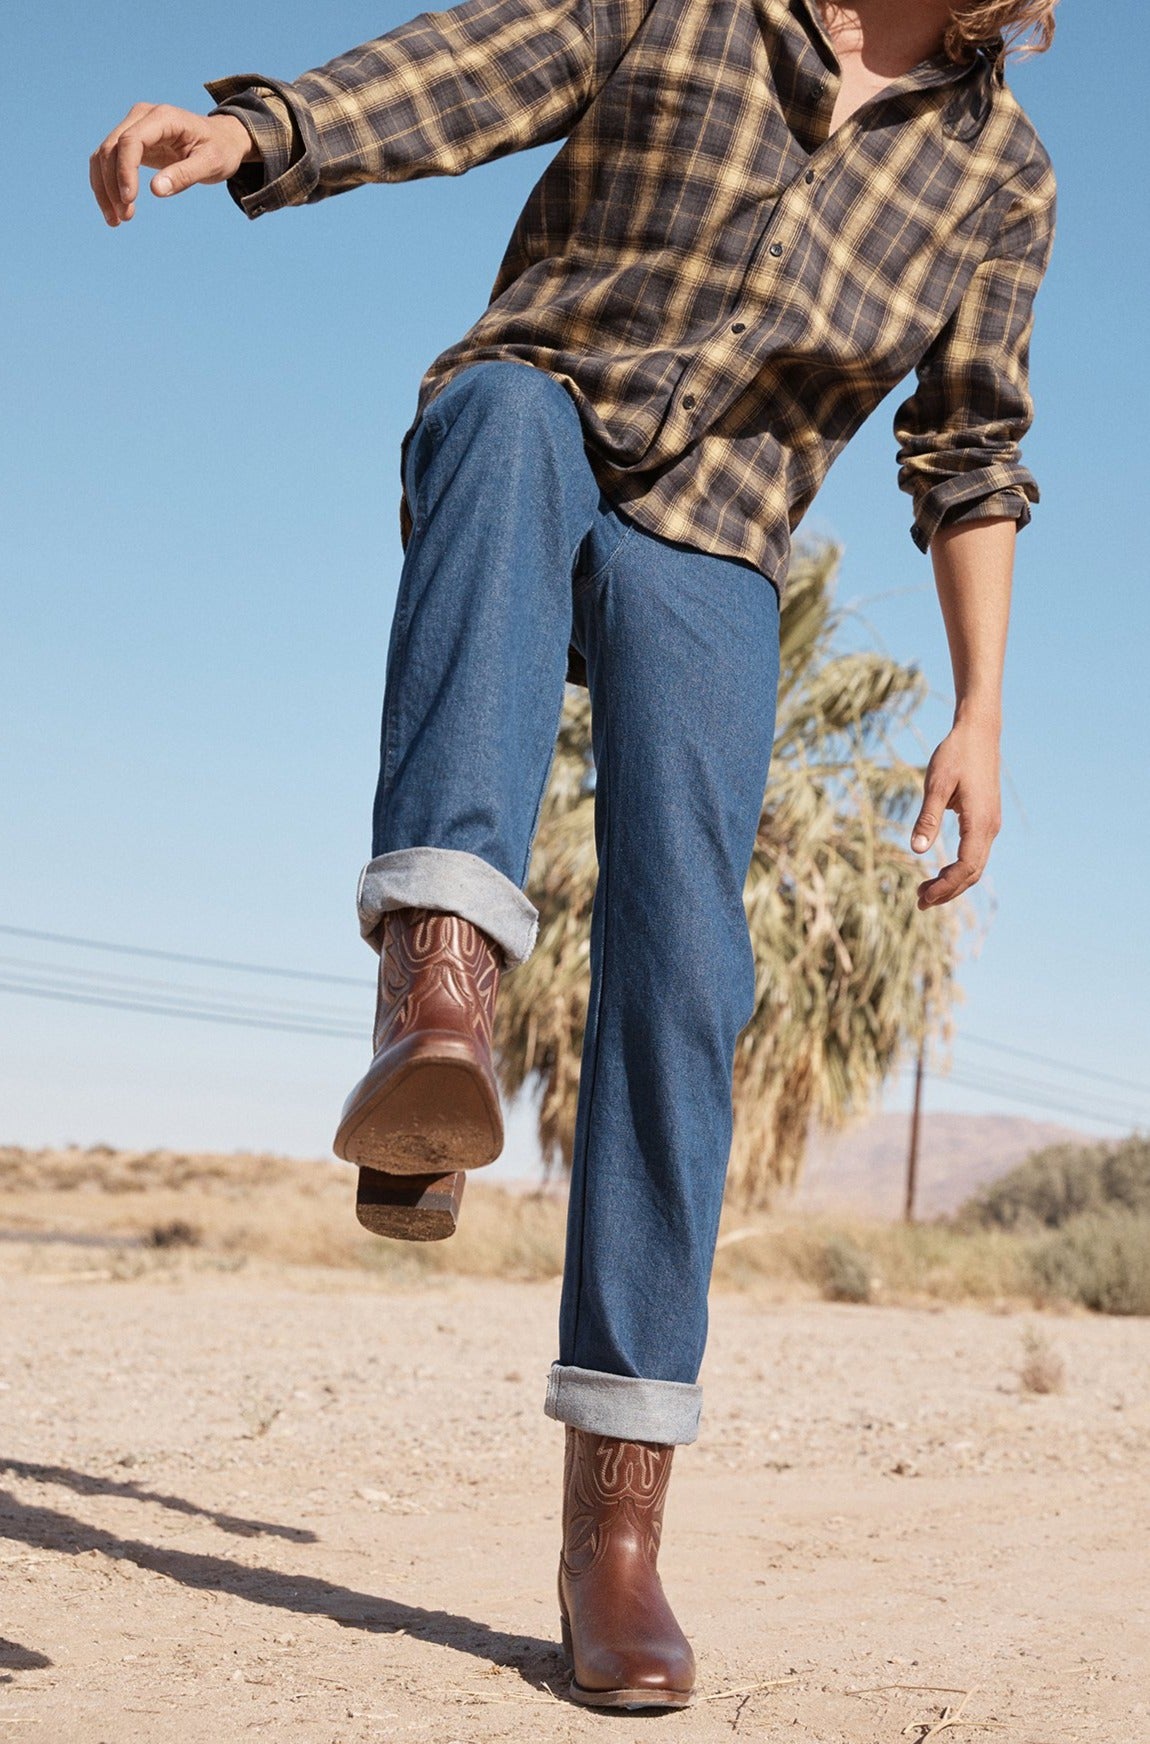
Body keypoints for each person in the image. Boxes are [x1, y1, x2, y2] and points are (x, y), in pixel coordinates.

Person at [90, 0, 1058, 1710]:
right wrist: (258, 130)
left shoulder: (998, 172)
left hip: (718, 532)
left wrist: (978, 712)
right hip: (542, 413)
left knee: (685, 974)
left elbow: (968, 445)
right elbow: (473, 69)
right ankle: (436, 1001)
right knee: (500, 422)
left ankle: (612, 1534)